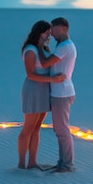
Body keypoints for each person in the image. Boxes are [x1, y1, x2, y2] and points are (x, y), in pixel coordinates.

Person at [17, 20, 66, 169]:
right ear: (39, 33)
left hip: (44, 89)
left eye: (50, 32)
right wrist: (53, 79)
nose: (49, 35)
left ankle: (32, 162)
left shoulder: (43, 48)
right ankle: (21, 164)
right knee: (28, 128)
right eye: (47, 32)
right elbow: (31, 74)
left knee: (37, 127)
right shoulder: (30, 50)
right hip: (33, 89)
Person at [38, 17, 77, 172]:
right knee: (60, 130)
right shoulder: (65, 45)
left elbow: (45, 63)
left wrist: (39, 46)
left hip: (62, 93)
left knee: (62, 130)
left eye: (52, 30)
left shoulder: (65, 46)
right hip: (60, 92)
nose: (51, 35)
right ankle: (63, 163)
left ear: (60, 29)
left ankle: (67, 165)